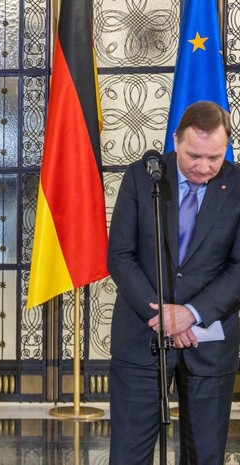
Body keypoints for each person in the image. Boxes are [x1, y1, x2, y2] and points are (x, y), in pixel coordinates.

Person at [107, 100, 240, 465]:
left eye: (214, 157)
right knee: (128, 455)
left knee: (204, 456)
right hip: (142, 339)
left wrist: (191, 313)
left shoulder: (237, 185)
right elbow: (120, 255)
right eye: (194, 155)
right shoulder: (143, 177)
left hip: (209, 344)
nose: (204, 167)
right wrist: (165, 317)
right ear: (176, 140)